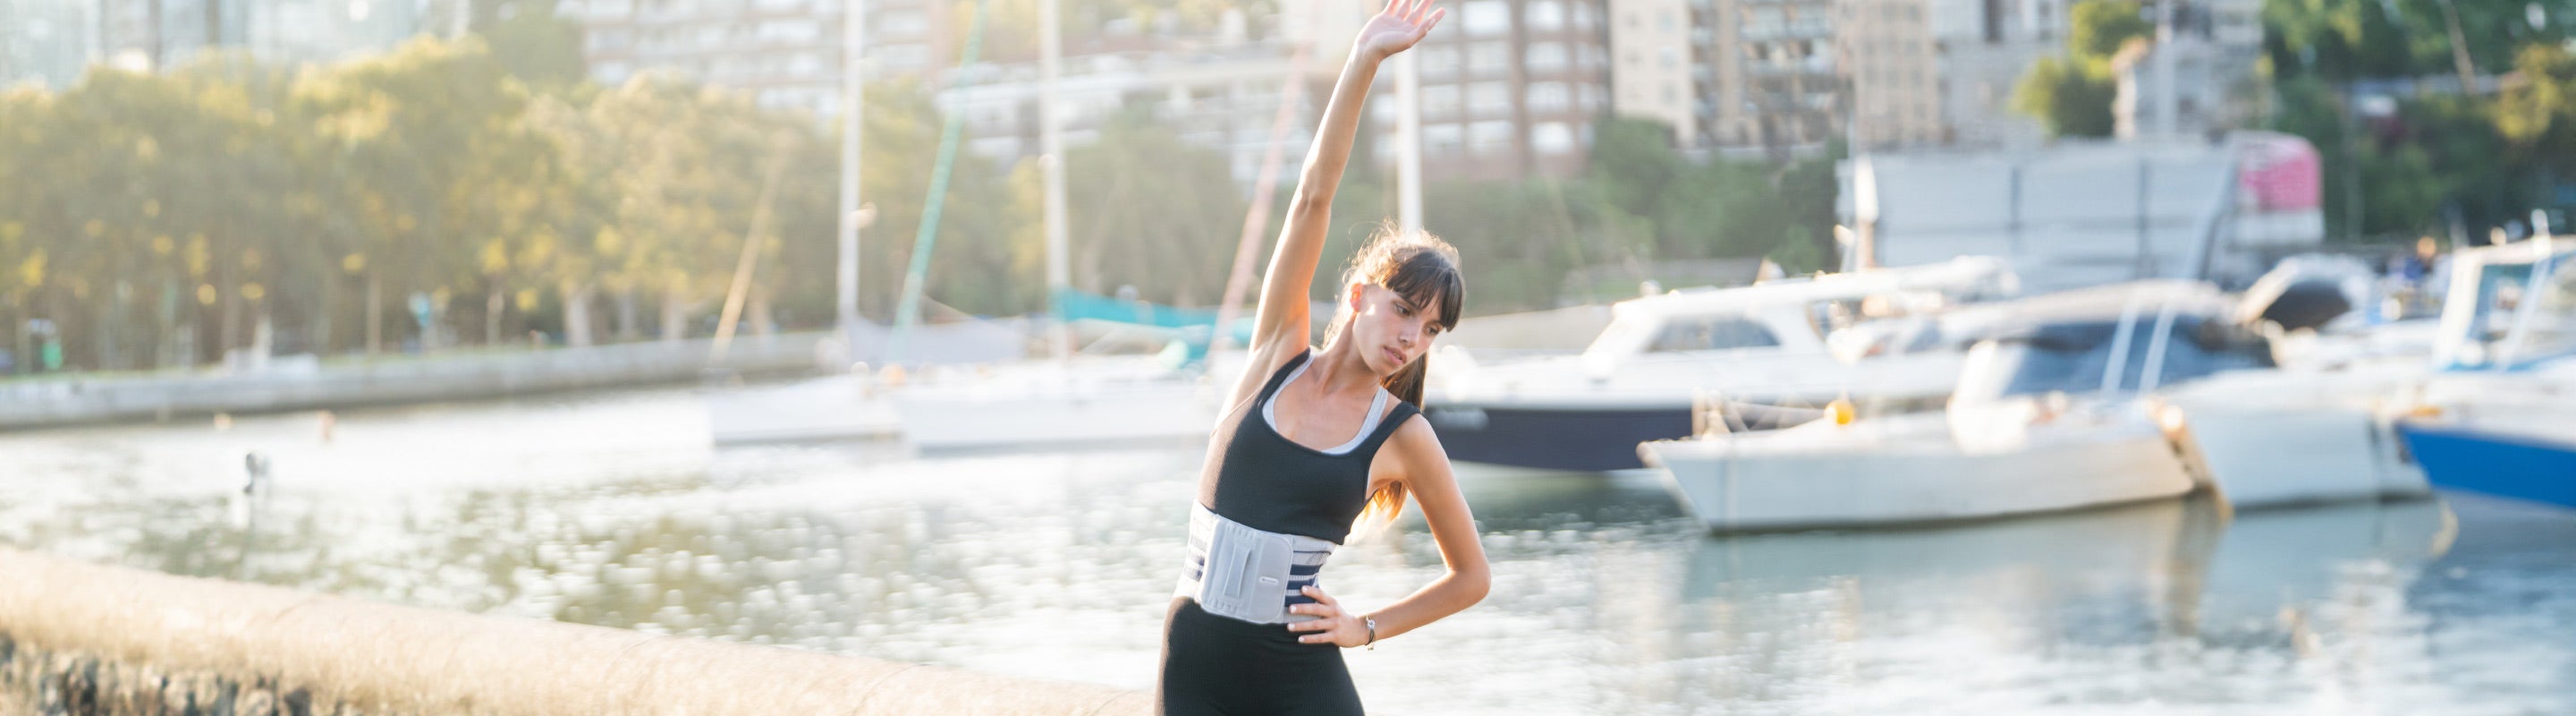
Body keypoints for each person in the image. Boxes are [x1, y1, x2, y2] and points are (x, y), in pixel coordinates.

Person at [1156, 1, 1487, 713]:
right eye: (1404, 309)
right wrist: (1363, 60)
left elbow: (1471, 578)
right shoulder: (1277, 352)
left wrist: (1364, 628)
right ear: (1363, 294)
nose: (1412, 338)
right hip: (1194, 666)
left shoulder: (1402, 435)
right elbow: (1312, 196)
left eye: (1431, 330)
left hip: (1299, 680)